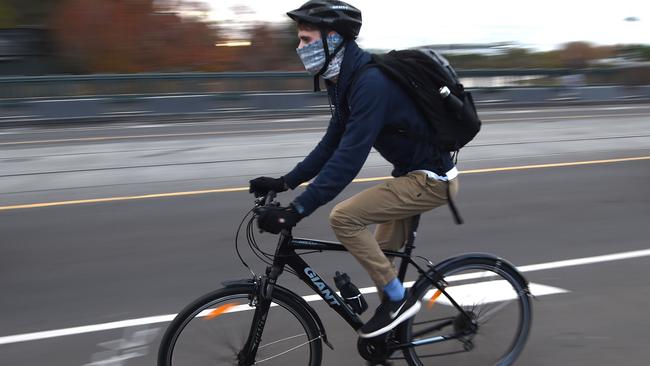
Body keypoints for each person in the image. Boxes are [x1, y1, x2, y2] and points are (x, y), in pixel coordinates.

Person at [249, 0, 459, 339]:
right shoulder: (343, 81)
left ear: (333, 40)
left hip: (431, 180)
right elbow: (331, 143)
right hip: (410, 176)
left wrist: (297, 211)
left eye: (305, 39)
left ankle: (398, 302)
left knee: (344, 218)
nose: (299, 47)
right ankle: (394, 335)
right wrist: (287, 181)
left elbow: (349, 158)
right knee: (383, 261)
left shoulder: (370, 83)